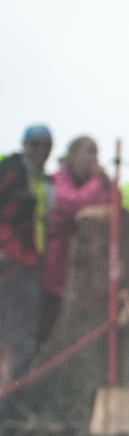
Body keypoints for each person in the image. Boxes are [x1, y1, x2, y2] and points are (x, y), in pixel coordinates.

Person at [41, 136, 114, 342]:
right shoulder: (56, 181)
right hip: (51, 271)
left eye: (96, 153)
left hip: (81, 278)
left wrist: (107, 185)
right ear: (72, 155)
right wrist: (98, 181)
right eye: (88, 151)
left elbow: (112, 210)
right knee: (42, 330)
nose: (93, 158)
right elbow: (73, 204)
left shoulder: (94, 185)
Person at [0, 125, 53, 399]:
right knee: (14, 339)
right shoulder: (10, 171)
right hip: (12, 263)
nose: (41, 151)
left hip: (30, 266)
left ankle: (10, 403)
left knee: (20, 338)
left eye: (46, 145)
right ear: (24, 145)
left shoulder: (43, 181)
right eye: (35, 144)